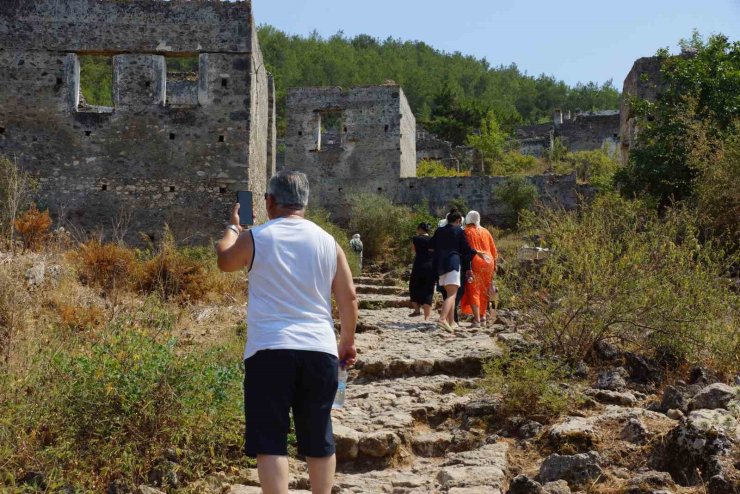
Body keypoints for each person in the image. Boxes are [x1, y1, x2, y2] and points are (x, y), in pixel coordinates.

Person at [215, 171, 359, 494]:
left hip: (269, 351)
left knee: (271, 441)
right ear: (304, 202)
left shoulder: (256, 238)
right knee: (319, 436)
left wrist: (232, 228)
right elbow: (348, 297)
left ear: (269, 202)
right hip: (320, 350)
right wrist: (346, 343)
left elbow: (224, 260)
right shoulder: (329, 243)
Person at [429, 210, 474, 332]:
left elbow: (430, 246)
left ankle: (452, 321)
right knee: (452, 294)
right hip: (453, 263)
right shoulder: (459, 231)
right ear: (459, 220)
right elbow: (466, 250)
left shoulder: (439, 231)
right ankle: (442, 319)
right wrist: (471, 264)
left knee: (449, 293)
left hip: (440, 266)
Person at [459, 211, 497, 327]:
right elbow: (494, 250)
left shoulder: (466, 232)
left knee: (474, 290)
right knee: (485, 290)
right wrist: (495, 265)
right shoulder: (486, 231)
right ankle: (483, 317)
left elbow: (465, 250)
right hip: (488, 262)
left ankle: (477, 320)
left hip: (474, 261)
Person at [408, 222, 435, 319]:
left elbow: (413, 250)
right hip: (431, 266)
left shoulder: (416, 239)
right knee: (428, 289)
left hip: (418, 265)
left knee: (414, 286)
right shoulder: (433, 239)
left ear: (420, 229)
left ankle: (417, 310)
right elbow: (434, 251)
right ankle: (427, 316)